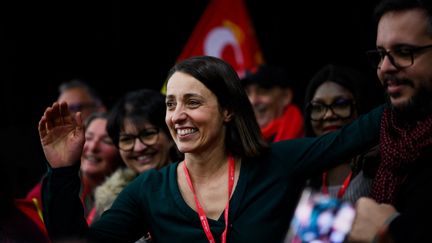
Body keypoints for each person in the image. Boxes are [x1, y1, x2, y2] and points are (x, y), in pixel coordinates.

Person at [39, 56, 383, 242]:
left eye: (192, 102)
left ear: (228, 110)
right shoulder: (149, 190)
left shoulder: (277, 163)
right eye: (171, 104)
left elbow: (358, 134)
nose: (177, 116)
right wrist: (63, 169)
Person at [348, 0, 432, 242]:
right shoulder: (386, 140)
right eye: (382, 54)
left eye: (404, 52)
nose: (385, 67)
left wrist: (392, 230)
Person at [91, 89, 181, 227]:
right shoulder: (109, 203)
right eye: (126, 139)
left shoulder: (198, 189)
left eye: (148, 134)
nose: (139, 148)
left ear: (171, 135)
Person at [303, 64, 383, 203]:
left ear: (361, 106)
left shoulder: (382, 164)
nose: (328, 115)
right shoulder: (302, 171)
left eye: (340, 104)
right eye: (318, 107)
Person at [27, 112, 123, 224]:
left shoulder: (129, 198)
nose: (93, 147)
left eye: (106, 141)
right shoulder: (52, 188)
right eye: (89, 137)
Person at [242, 64, 304, 142]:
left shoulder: (308, 134)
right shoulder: (234, 144)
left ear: (285, 96)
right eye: (246, 93)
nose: (252, 101)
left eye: (262, 91)